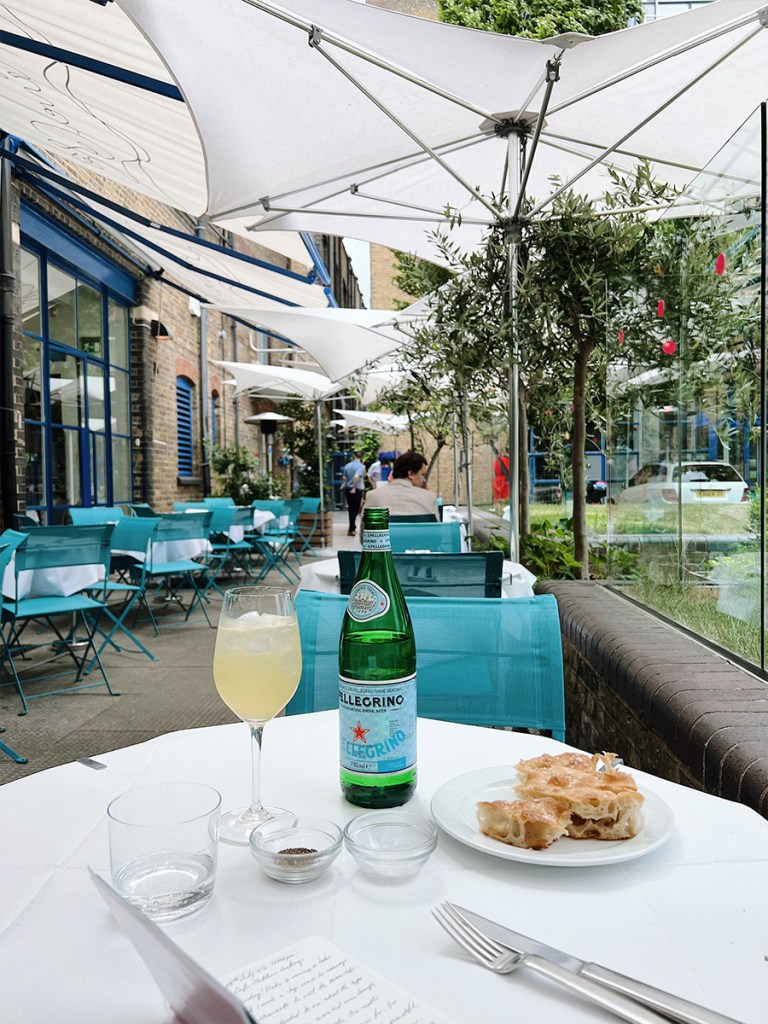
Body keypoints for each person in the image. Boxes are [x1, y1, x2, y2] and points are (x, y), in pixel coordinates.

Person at [361, 450, 438, 528]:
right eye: (422, 475)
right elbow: (436, 530)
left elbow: (364, 532)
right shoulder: (430, 498)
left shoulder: (372, 496)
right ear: (411, 474)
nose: (424, 480)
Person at [341, 451, 365, 536]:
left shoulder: (347, 465)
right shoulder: (360, 466)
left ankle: (352, 527)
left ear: (354, 456)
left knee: (351, 509)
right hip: (356, 489)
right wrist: (354, 487)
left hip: (347, 489)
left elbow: (344, 477)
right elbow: (356, 476)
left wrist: (349, 483)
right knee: (355, 510)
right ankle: (352, 529)